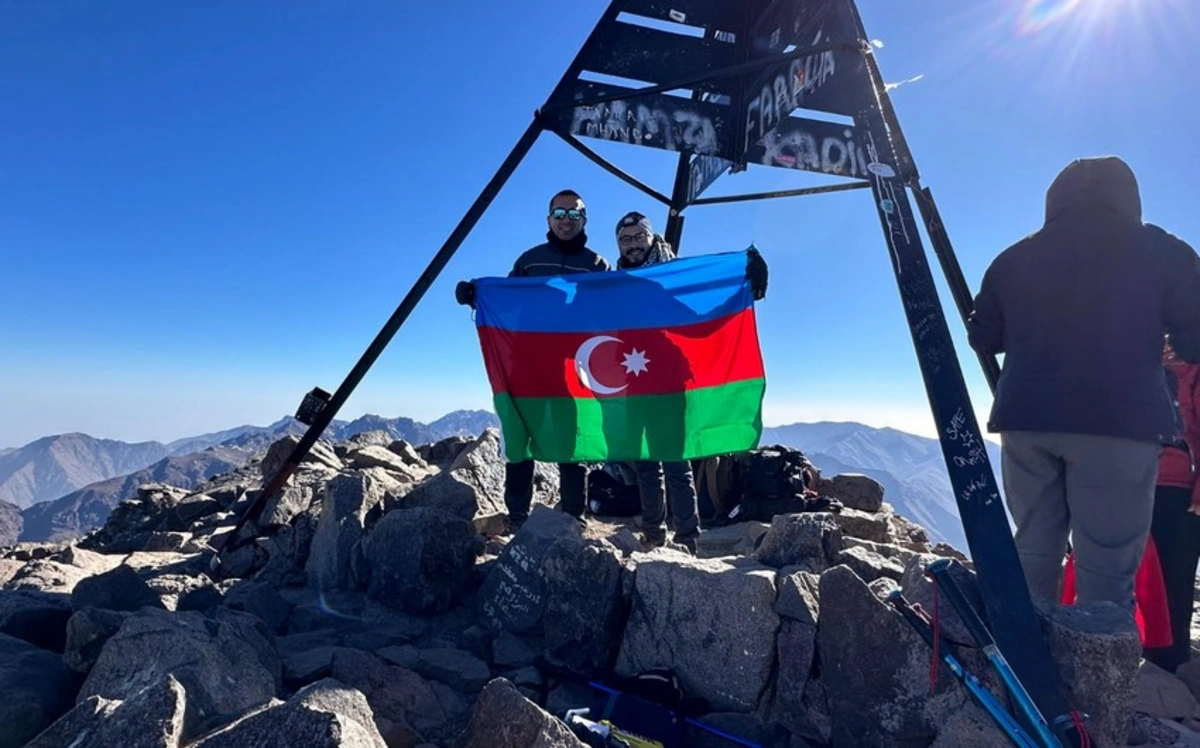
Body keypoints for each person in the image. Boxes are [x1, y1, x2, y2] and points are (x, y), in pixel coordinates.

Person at [967, 155, 1200, 612]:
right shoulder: (1163, 250)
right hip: (1120, 424)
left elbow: (983, 336)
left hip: (1026, 421)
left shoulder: (1014, 257)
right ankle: (1095, 674)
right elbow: (1195, 335)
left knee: (1033, 549)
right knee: (1107, 570)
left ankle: (1025, 665)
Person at [456, 189, 611, 530]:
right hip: (528, 367)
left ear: (584, 220)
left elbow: (613, 307)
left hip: (573, 370)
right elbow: (507, 300)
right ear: (548, 219)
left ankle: (573, 517)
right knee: (521, 436)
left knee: (573, 440)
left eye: (574, 214)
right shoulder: (530, 260)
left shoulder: (597, 265)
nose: (566, 221)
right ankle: (517, 516)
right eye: (559, 213)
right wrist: (476, 296)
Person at [612, 211, 702, 552]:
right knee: (646, 464)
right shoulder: (613, 281)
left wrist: (743, 281)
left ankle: (688, 539)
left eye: (638, 237)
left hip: (670, 382)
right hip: (633, 381)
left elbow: (700, 312)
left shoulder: (674, 275)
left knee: (676, 463)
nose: (633, 245)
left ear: (651, 238)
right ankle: (653, 533)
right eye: (626, 239)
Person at [1144, 341, 1200, 672]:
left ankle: (1170, 665)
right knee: (1153, 580)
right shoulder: (1148, 361)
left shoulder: (1192, 370)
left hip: (1179, 492)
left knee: (1174, 582)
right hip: (1141, 485)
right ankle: (1160, 663)